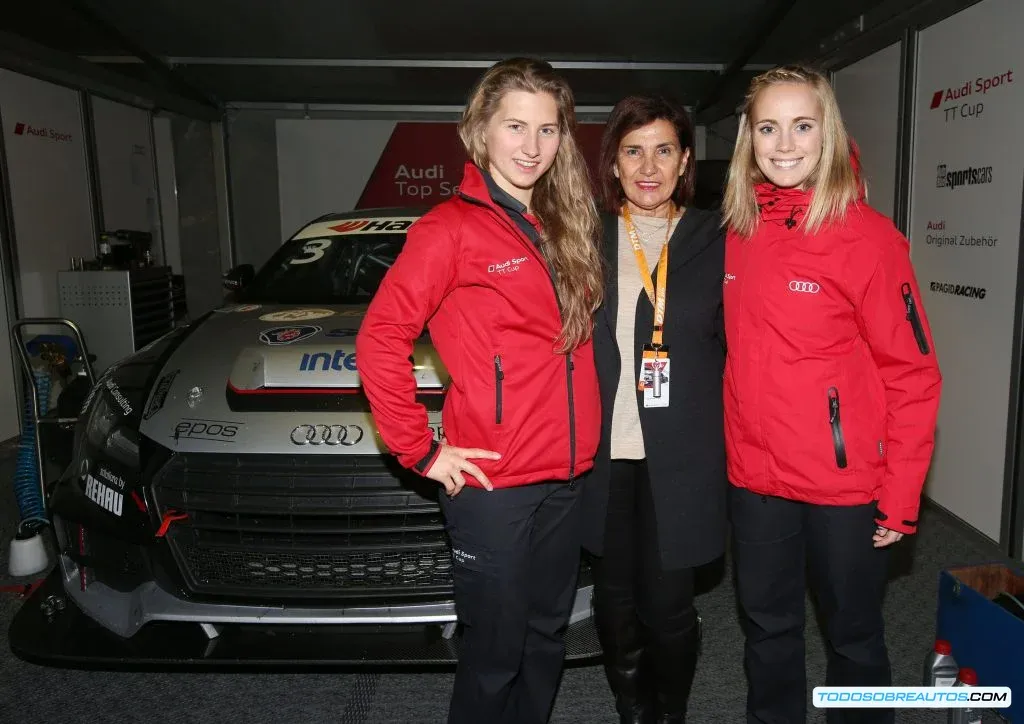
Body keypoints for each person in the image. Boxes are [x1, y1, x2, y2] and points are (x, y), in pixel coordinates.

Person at [355, 58, 603, 724]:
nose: (531, 146)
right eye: (515, 126)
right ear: (481, 131)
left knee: (547, 637)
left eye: (547, 130)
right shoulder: (450, 230)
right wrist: (422, 451)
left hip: (566, 476)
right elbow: (379, 340)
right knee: (494, 652)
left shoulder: (562, 227)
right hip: (493, 485)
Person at [721, 65, 942, 724]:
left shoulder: (868, 239)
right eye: (768, 127)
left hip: (844, 486)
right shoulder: (737, 230)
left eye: (802, 126)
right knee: (767, 631)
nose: (784, 144)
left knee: (854, 638)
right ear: (748, 137)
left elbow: (913, 374)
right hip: (756, 480)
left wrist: (900, 498)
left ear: (828, 132)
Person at [580, 94, 728, 724]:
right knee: (613, 601)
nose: (648, 166)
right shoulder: (581, 241)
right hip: (602, 453)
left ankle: (670, 715)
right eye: (633, 151)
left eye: (663, 150)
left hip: (683, 456)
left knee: (668, 606)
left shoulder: (718, 239)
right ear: (613, 163)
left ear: (685, 160)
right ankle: (631, 711)